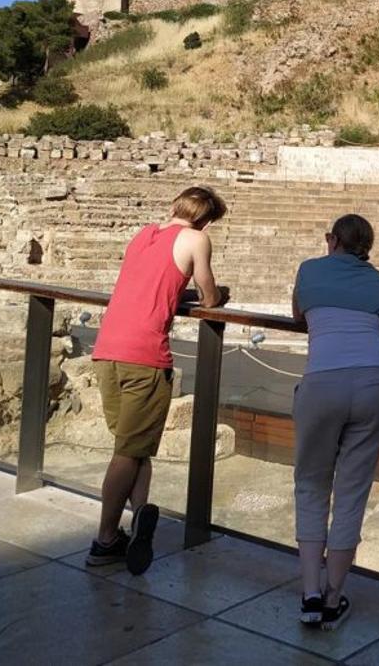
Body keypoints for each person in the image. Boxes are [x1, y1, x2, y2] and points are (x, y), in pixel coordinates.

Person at [86, 185, 229, 574]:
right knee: (128, 453)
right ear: (206, 220)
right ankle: (105, 539)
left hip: (107, 350)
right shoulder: (196, 239)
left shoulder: (143, 235)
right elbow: (209, 295)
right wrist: (214, 296)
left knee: (137, 445)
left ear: (175, 206)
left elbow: (150, 285)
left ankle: (139, 517)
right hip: (144, 356)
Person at [291, 214, 379, 630]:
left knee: (310, 484)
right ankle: (334, 596)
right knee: (353, 490)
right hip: (374, 381)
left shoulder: (310, 270)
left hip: (323, 381)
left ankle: (309, 592)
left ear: (332, 240)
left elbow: (299, 315)